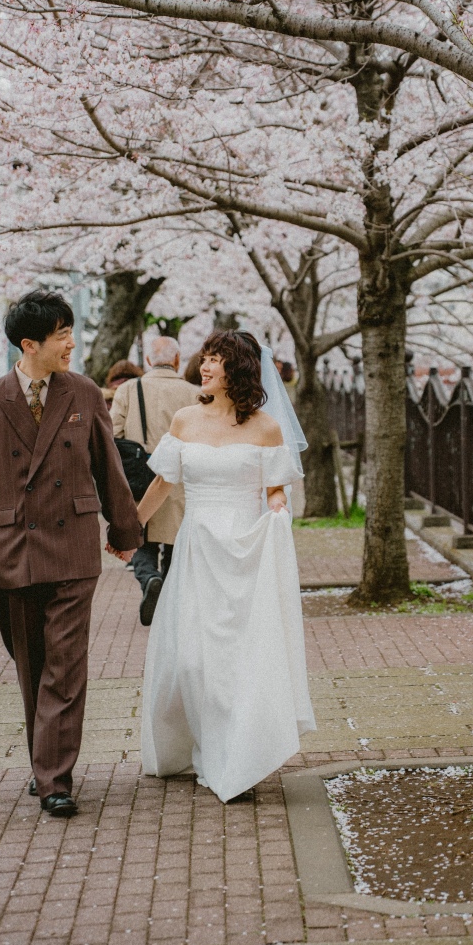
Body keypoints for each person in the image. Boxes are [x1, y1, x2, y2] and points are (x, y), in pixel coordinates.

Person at [0, 289, 142, 817]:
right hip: (16, 550)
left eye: (70, 332)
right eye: (61, 335)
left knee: (65, 663)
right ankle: (46, 760)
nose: (71, 344)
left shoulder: (83, 393)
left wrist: (125, 533)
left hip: (73, 548)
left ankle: (55, 778)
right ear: (29, 343)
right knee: (30, 663)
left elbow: (109, 466)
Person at [127, 329, 315, 803]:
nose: (204, 367)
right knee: (191, 657)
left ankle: (234, 757)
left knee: (235, 656)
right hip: (197, 548)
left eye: (215, 360)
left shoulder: (266, 429)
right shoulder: (186, 420)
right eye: (204, 358)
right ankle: (199, 744)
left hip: (245, 548)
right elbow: (163, 483)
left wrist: (278, 513)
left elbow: (275, 489)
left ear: (240, 369)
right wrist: (130, 530)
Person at [111, 335, 198, 625]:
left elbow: (114, 435)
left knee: (142, 542)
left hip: (140, 481)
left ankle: (150, 578)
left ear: (148, 361)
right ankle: (170, 600)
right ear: (177, 360)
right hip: (182, 482)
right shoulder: (194, 393)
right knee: (176, 544)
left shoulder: (127, 390)